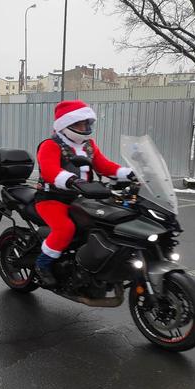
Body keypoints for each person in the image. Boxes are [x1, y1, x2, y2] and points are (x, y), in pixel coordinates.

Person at [34, 100, 133, 287]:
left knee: (105, 224)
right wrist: (71, 180)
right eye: (81, 123)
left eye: (88, 122)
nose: (85, 127)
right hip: (52, 199)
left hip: (82, 198)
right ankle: (42, 265)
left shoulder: (89, 145)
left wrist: (127, 173)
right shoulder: (50, 145)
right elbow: (49, 171)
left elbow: (103, 165)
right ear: (67, 124)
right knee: (65, 228)